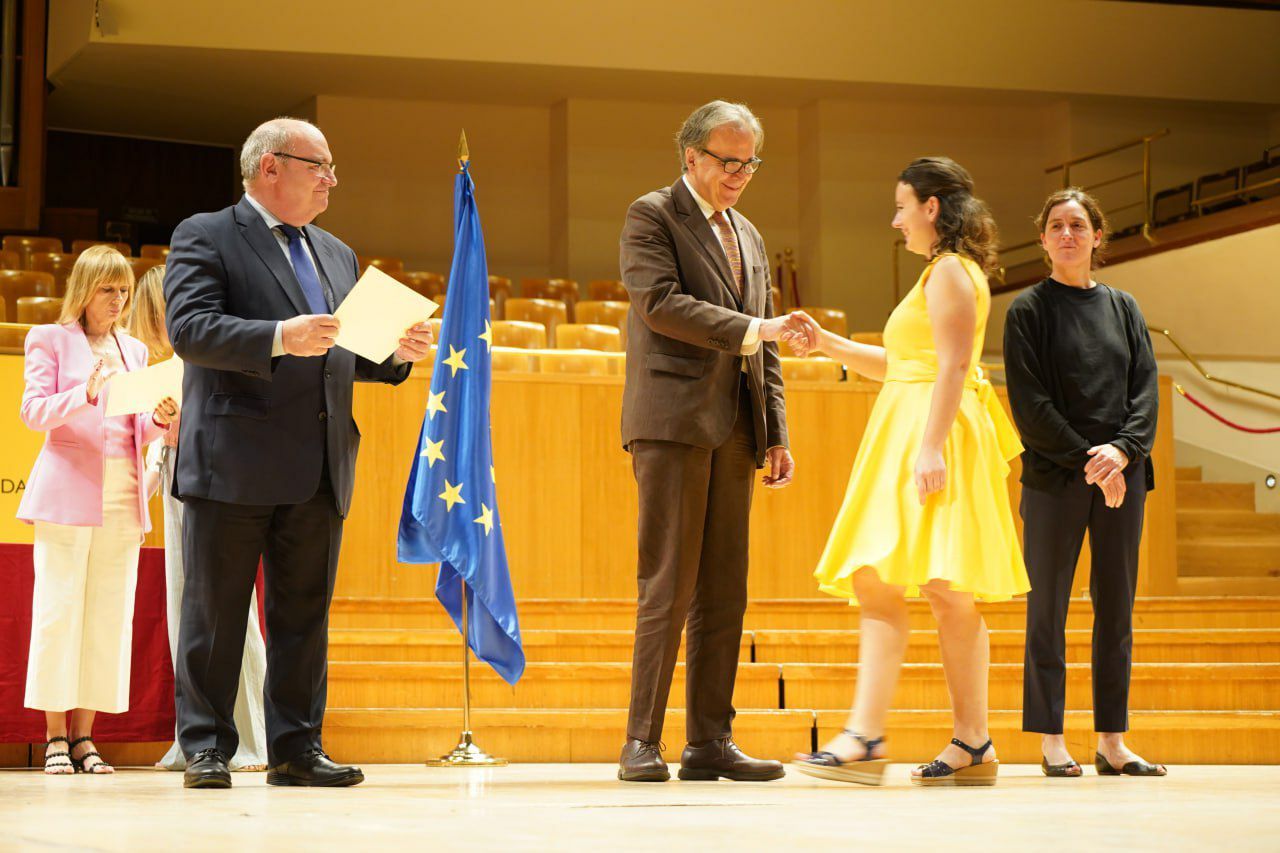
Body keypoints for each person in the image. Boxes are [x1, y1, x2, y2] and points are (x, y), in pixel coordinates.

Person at [164, 117, 433, 789]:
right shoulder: (207, 233)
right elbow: (192, 330)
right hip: (234, 457)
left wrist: (391, 354)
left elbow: (337, 350)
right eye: (320, 165)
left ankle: (295, 748)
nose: (332, 180)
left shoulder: (336, 253)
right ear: (270, 168)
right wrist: (281, 334)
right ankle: (206, 747)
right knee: (217, 614)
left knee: (303, 618)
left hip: (319, 460)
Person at [790, 157, 1028, 787]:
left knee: (941, 586)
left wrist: (931, 448)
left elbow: (950, 367)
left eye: (902, 207)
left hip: (932, 431)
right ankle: (948, 741)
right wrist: (830, 346)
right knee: (901, 580)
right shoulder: (942, 271)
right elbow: (906, 362)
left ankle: (899, 738)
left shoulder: (950, 272)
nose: (894, 220)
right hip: (918, 424)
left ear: (930, 208)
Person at [617, 100, 814, 783]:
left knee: (725, 589)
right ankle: (641, 739)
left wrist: (776, 432)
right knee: (667, 583)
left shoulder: (750, 234)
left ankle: (709, 741)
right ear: (691, 156)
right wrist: (756, 329)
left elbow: (767, 343)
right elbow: (660, 304)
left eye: (749, 161)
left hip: (736, 426)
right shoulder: (652, 214)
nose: (738, 173)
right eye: (726, 160)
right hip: (671, 421)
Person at [1004, 187, 1165, 777]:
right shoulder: (1028, 310)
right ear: (1043, 240)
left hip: (1122, 477)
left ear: (1098, 236)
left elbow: (1145, 392)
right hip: (1055, 479)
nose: (1067, 234)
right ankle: (1051, 740)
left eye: (1078, 225)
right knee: (1046, 610)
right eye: (1056, 226)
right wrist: (1088, 461)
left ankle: (1111, 741)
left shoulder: (1124, 307)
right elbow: (1031, 404)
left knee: (1116, 610)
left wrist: (1121, 453)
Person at [18, 245, 176, 775]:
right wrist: (82, 394)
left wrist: (161, 418)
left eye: (124, 290)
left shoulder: (133, 350)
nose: (118, 300)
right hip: (67, 491)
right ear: (84, 291)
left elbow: (138, 427)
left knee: (108, 616)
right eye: (107, 289)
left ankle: (86, 736)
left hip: (123, 492)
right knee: (60, 611)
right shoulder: (51, 339)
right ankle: (55, 736)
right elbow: (33, 412)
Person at [130, 265, 269, 773]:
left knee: (231, 606)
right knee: (186, 608)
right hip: (174, 479)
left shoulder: (215, 352)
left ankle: (253, 732)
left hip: (213, 481)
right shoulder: (155, 367)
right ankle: (197, 737)